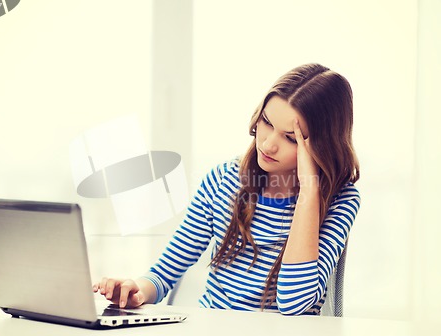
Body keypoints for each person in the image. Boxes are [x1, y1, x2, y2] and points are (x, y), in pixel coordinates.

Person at [93, 63, 361, 315]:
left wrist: (308, 193)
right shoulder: (223, 180)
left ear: (321, 146)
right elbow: (164, 273)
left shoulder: (340, 201)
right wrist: (135, 290)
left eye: (291, 138)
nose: (268, 145)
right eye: (266, 123)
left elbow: (295, 303)